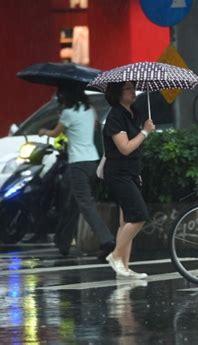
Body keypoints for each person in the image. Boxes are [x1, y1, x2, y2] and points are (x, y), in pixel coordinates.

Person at [39, 83, 115, 260]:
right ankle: (62, 242)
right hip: (93, 162)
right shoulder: (90, 110)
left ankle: (107, 240)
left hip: (78, 163)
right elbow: (95, 127)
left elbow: (56, 133)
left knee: (85, 204)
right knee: (73, 202)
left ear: (65, 97)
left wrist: (44, 131)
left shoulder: (67, 113)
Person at [102, 81, 155, 279]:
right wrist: (145, 132)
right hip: (118, 174)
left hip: (131, 173)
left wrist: (143, 129)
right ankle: (115, 256)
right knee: (138, 216)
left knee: (126, 221)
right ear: (117, 93)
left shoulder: (133, 113)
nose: (133, 91)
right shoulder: (115, 116)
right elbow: (125, 148)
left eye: (133, 87)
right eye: (127, 88)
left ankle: (123, 267)